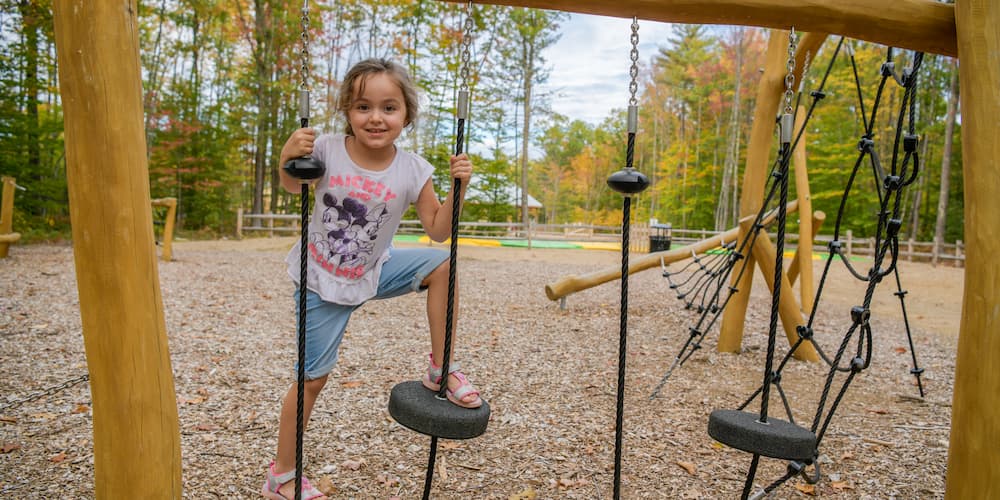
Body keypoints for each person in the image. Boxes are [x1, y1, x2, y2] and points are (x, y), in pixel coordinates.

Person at [262, 58, 482, 500]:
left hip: (372, 270)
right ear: (347, 110)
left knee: (442, 264)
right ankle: (281, 476)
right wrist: (289, 154)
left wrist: (459, 188)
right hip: (321, 279)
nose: (376, 118)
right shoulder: (325, 148)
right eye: (363, 107)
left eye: (389, 107)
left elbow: (438, 230)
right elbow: (292, 187)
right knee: (311, 381)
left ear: (406, 115)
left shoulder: (414, 169)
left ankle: (440, 369)